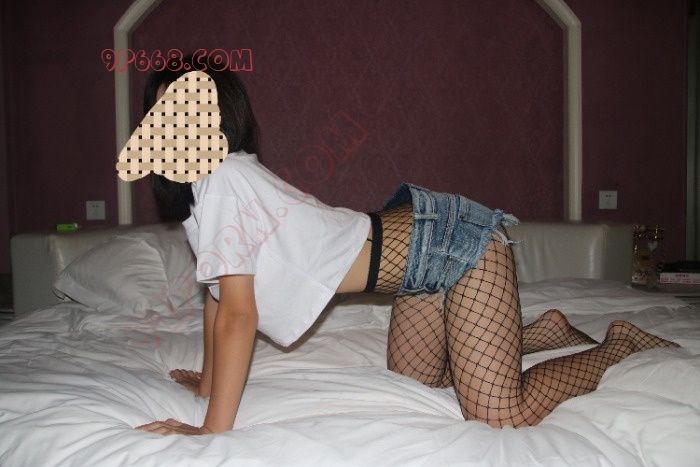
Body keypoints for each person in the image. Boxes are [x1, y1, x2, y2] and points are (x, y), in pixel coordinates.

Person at [135, 56, 678, 436]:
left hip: (457, 245)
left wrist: (212, 430)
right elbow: (217, 298)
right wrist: (207, 384)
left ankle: (617, 346)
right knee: (421, 381)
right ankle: (545, 331)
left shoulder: (224, 179)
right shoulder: (208, 192)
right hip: (419, 269)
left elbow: (238, 315)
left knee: (498, 414)